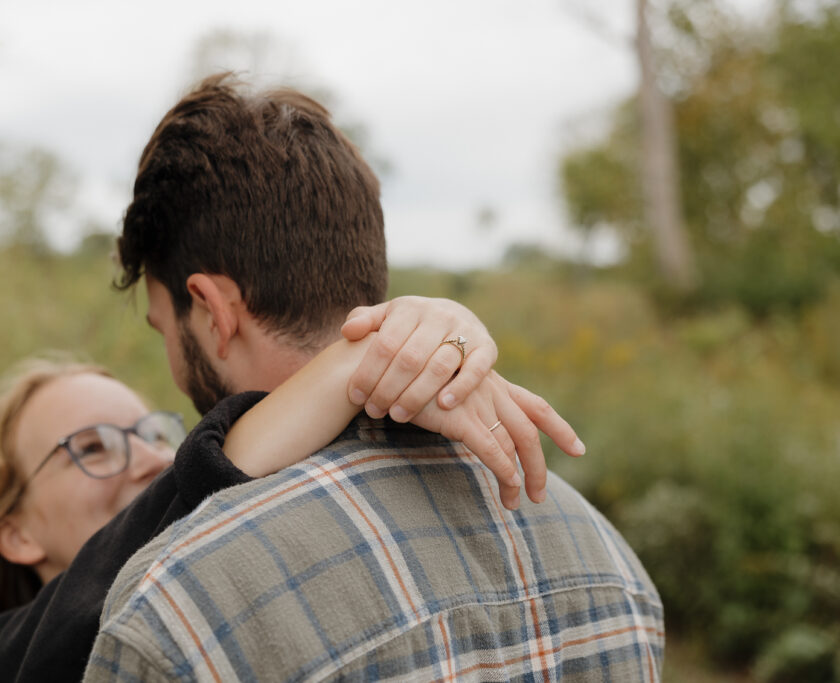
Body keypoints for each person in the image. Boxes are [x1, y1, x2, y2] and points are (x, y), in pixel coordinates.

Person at [84, 74, 665, 682]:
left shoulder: (179, 613)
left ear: (212, 310)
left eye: (164, 331)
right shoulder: (614, 562)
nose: (173, 365)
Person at [0, 298, 581, 681]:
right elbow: (122, 561)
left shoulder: (225, 607)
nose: (149, 460)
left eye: (154, 431)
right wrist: (363, 359)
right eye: (91, 448)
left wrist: (424, 340)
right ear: (13, 532)